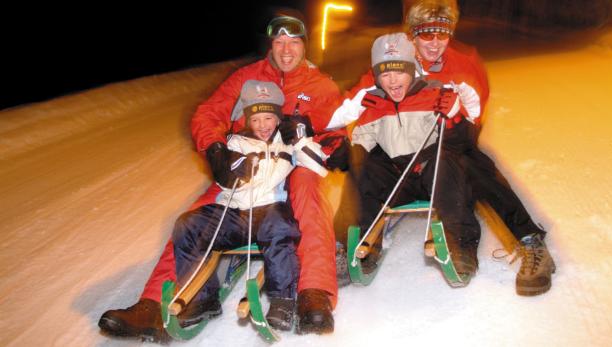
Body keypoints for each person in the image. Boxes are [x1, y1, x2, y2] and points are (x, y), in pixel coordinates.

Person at [98, 11, 344, 342]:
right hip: (251, 164)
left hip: (293, 165)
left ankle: (314, 291)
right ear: (270, 45)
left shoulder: (319, 85)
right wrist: (216, 151)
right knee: (204, 208)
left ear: (305, 46)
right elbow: (209, 114)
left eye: (294, 43)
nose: (286, 51)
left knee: (307, 189)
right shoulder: (247, 78)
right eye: (279, 42)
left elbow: (336, 132)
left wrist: (325, 140)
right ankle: (154, 304)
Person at [331, 0, 555, 296]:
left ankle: (529, 241)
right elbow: (347, 107)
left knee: (472, 162)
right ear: (412, 35)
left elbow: (474, 122)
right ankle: (351, 243)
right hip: (400, 158)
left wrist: (456, 118)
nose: (436, 43)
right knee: (363, 163)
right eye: (426, 35)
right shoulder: (392, 62)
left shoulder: (464, 63)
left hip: (446, 147)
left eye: (443, 33)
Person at [172, 80, 328, 332]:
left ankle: (282, 300)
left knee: (279, 229)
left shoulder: (286, 143)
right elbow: (223, 177)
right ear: (247, 120)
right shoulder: (235, 143)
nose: (262, 126)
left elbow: (320, 166)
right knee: (188, 225)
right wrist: (230, 166)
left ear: (278, 117)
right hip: (235, 212)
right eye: (255, 120)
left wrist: (300, 141)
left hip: (270, 209)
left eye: (268, 118)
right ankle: (203, 298)